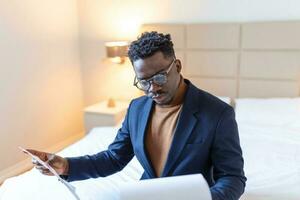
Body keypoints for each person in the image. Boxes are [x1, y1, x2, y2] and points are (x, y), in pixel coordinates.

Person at [27, 31, 246, 200]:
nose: (152, 89)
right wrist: (65, 165)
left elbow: (232, 178)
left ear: (177, 66)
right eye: (143, 81)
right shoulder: (137, 108)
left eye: (159, 78)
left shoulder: (218, 114)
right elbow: (114, 158)